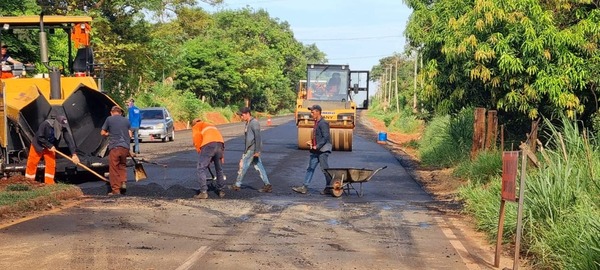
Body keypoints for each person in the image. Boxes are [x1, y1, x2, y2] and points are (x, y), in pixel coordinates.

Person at [25, 115, 79, 184]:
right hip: (38, 145)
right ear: (57, 123)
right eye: (61, 126)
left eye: (63, 126)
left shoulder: (63, 128)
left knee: (51, 164)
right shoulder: (45, 124)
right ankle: (29, 182)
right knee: (32, 163)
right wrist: (49, 146)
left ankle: (49, 183)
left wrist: (74, 154)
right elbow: (40, 137)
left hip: (50, 147)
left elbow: (69, 141)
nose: (62, 127)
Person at [292, 105, 333, 194]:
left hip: (323, 150)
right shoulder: (316, 122)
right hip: (316, 150)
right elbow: (318, 136)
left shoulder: (323, 123)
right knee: (310, 168)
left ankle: (329, 187)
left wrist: (317, 146)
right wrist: (312, 142)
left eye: (312, 112)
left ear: (318, 112)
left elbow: (326, 137)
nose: (311, 114)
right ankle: (304, 187)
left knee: (324, 169)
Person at [231, 107, 272, 193]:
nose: (241, 117)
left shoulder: (254, 123)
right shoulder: (248, 123)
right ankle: (267, 184)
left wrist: (257, 151)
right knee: (259, 167)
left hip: (252, 149)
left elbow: (258, 137)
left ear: (247, 114)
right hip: (250, 149)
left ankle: (237, 184)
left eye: (242, 115)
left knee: (243, 166)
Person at [192, 118, 226, 199]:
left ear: (194, 123)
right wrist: (222, 155)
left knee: (201, 168)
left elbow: (197, 140)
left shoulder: (196, 126)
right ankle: (221, 190)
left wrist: (201, 153)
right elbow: (218, 139)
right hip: (220, 144)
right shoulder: (210, 125)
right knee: (219, 169)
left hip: (209, 145)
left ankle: (203, 192)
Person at [101, 106, 132, 195]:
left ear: (111, 112)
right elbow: (130, 134)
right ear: (121, 113)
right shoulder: (126, 120)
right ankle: (123, 182)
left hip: (115, 147)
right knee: (122, 165)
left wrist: (108, 133)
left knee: (114, 168)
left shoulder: (109, 119)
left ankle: (115, 190)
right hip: (125, 148)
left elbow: (102, 132)